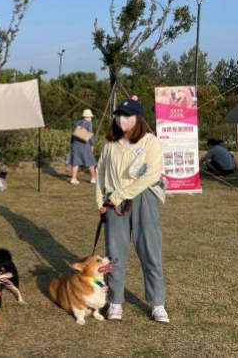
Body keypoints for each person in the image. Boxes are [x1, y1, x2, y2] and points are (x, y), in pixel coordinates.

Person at [95, 97, 170, 323]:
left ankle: (157, 303)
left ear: (138, 118)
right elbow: (100, 172)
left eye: (127, 115)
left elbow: (152, 175)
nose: (121, 119)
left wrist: (119, 196)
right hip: (113, 201)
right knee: (114, 253)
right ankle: (115, 301)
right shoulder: (110, 144)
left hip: (143, 199)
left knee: (150, 252)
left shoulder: (150, 142)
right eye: (118, 115)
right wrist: (100, 201)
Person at [70, 109, 97, 184]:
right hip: (85, 145)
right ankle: (93, 178)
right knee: (90, 160)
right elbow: (90, 135)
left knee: (75, 162)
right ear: (89, 117)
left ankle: (73, 178)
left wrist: (72, 143)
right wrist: (92, 145)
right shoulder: (89, 123)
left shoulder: (78, 122)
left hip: (75, 144)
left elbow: (73, 134)